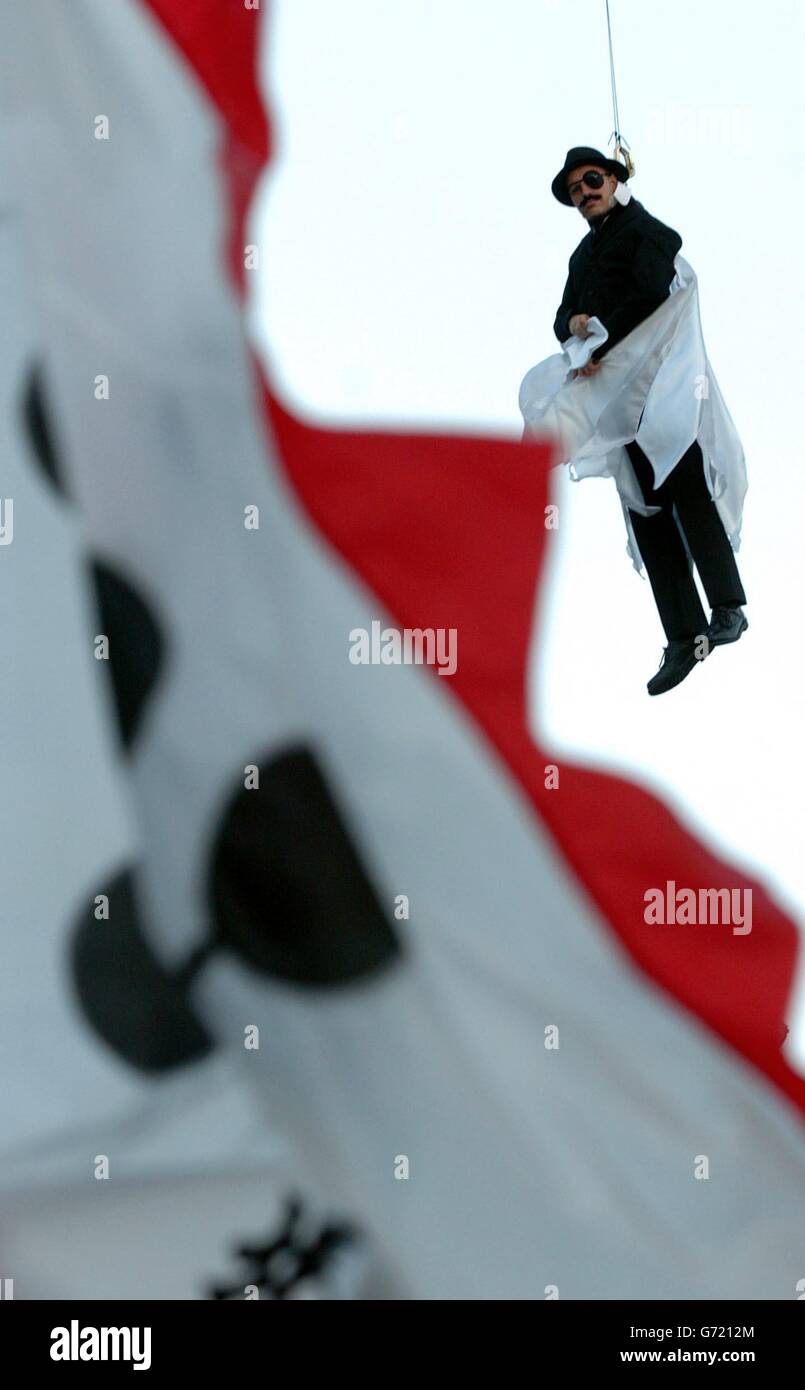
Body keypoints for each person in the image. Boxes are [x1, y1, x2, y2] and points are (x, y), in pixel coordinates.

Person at [551, 146, 748, 696]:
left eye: (592, 180)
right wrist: (575, 322)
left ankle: (729, 606)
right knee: (646, 506)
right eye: (575, 190)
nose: (585, 192)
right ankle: (683, 635)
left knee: (685, 486)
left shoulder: (647, 230)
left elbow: (651, 290)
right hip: (619, 403)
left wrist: (602, 333)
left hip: (659, 387)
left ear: (615, 179)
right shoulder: (581, 259)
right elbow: (559, 318)